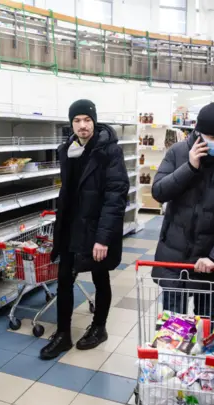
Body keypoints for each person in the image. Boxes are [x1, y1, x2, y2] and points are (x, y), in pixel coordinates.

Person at [40, 99, 130, 360]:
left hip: (97, 227)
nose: (82, 125)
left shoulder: (109, 151)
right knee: (64, 280)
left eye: (87, 120)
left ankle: (99, 328)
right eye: (77, 120)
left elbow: (116, 195)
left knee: (100, 277)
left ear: (94, 121)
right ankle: (63, 334)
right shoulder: (66, 150)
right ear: (71, 124)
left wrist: (103, 238)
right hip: (71, 227)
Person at [150, 102, 214, 320]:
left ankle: (201, 352)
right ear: (198, 132)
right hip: (173, 256)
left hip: (208, 260)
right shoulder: (178, 152)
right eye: (211, 137)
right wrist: (189, 167)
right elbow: (159, 192)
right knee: (173, 326)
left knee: (204, 324)